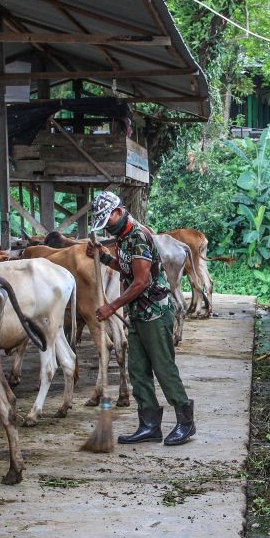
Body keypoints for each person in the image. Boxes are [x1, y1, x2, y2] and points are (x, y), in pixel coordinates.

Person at [86, 191, 195, 446]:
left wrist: (112, 306)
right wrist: (103, 256)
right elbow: (127, 267)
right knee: (138, 371)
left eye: (107, 221)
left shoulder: (138, 236)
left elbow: (141, 281)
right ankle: (149, 425)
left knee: (164, 368)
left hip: (155, 313)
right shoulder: (123, 238)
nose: (107, 227)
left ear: (117, 212)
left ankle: (186, 423)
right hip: (138, 314)